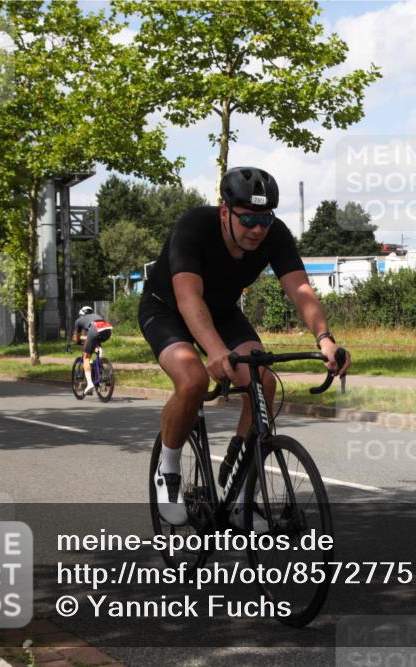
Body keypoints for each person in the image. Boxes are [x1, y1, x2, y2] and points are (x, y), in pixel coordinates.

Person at [139, 166, 350, 526]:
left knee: (262, 379)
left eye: (264, 220)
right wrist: (214, 350)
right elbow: (188, 298)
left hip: (221, 311)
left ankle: (241, 497)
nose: (257, 230)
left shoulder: (274, 235)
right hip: (168, 309)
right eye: (248, 219)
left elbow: (300, 290)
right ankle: (168, 468)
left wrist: (325, 339)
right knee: (192, 379)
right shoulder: (194, 227)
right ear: (226, 213)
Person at [72, 305, 113, 395]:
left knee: (86, 357)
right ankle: (101, 361)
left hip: (94, 329)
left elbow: (77, 337)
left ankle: (90, 384)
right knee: (95, 342)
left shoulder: (79, 320)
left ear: (81, 314)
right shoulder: (97, 316)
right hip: (107, 330)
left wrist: (77, 341)